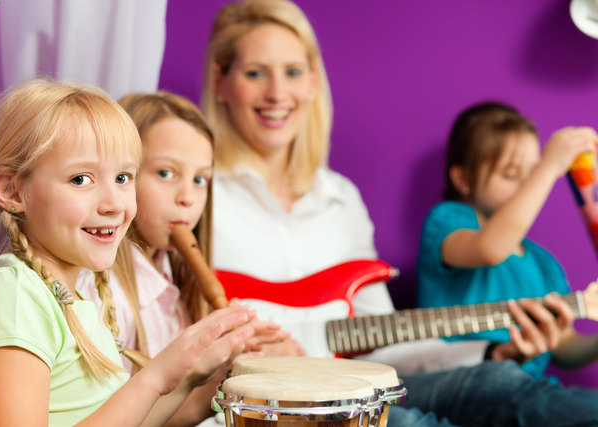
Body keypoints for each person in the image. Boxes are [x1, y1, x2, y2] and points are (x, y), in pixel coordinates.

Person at [201, 0, 598, 425]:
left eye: (293, 72)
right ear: (221, 81)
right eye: (255, 72)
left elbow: (382, 340)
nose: (277, 93)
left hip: (357, 380)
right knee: (404, 422)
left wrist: (494, 352)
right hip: (262, 400)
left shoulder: (341, 199)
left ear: (313, 81)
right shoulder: (197, 194)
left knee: (502, 381)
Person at [0, 79, 269, 427]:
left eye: (123, 178)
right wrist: (155, 377)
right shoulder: (14, 299)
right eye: (81, 179)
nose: (114, 204)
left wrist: (196, 373)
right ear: (12, 191)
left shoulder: (73, 302)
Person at [77, 90, 288, 426]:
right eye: (165, 173)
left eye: (200, 179)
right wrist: (223, 385)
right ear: (121, 175)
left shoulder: (170, 281)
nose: (188, 197)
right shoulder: (98, 289)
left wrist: (240, 362)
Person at [417, 101, 598, 379]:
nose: (530, 185)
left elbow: (563, 344)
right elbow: (490, 249)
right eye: (512, 174)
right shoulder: (447, 221)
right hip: (462, 381)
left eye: (533, 173)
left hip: (531, 390)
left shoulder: (543, 263)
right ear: (464, 178)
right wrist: (547, 169)